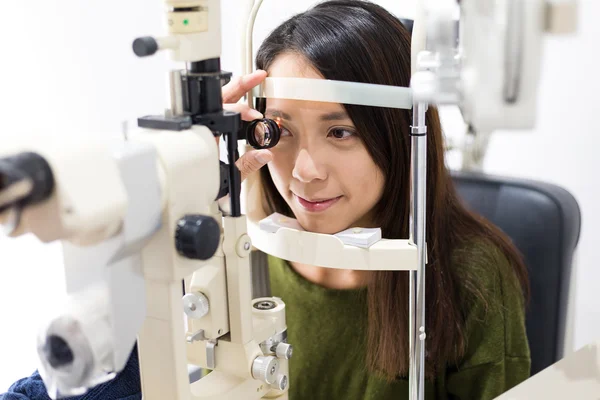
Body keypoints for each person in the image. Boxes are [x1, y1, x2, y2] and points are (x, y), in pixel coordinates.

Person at [0, 1, 531, 399]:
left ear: (397, 131)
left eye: (340, 131)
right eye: (279, 131)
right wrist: (192, 184)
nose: (304, 172)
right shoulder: (233, 244)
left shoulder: (469, 276)